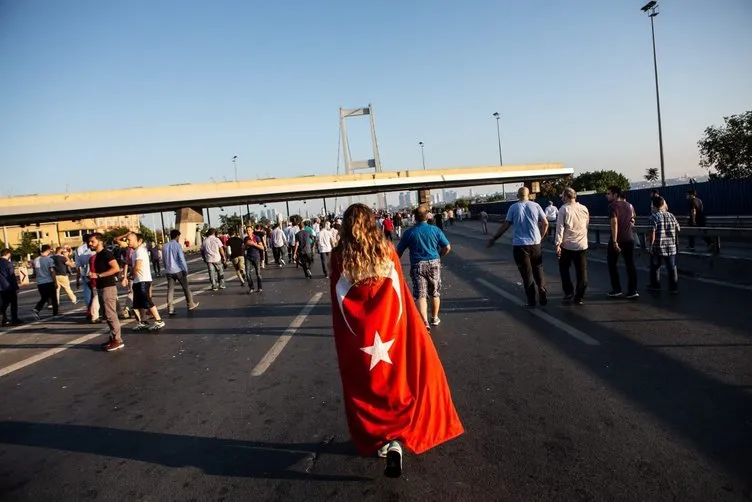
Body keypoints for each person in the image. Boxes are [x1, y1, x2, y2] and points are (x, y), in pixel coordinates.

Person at [329, 203, 464, 478]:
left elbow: (339, 300)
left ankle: (382, 440)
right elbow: (399, 294)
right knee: (397, 381)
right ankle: (395, 440)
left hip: (360, 338)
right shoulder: (386, 250)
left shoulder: (339, 256)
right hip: (390, 331)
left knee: (367, 387)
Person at [487, 187, 549, 307]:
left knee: (527, 274)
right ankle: (541, 288)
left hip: (520, 245)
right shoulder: (535, 206)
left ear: (517, 195)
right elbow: (545, 222)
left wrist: (494, 238)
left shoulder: (513, 207)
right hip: (535, 243)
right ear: (529, 195)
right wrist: (541, 237)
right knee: (538, 268)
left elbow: (506, 225)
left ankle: (531, 301)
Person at [396, 206, 451, 328]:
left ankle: (424, 321)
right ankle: (435, 318)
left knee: (420, 294)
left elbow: (398, 252)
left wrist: (394, 265)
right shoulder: (435, 230)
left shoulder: (409, 233)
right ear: (427, 216)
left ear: (415, 217)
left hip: (417, 264)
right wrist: (439, 257)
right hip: (434, 263)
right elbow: (447, 247)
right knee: (435, 292)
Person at [87, 233, 124, 352]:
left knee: (111, 314)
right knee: (107, 315)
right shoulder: (98, 255)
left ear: (100, 241)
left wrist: (98, 275)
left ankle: (117, 340)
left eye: (92, 241)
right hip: (101, 287)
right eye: (89, 241)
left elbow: (116, 268)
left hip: (108, 287)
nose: (90, 244)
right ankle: (113, 337)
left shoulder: (106, 253)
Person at [554, 188, 590, 305]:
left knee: (564, 268)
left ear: (566, 197)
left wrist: (557, 244)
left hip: (568, 245)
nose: (561, 198)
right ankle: (579, 296)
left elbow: (560, 229)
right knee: (581, 272)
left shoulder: (563, 209)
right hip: (582, 245)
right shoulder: (584, 208)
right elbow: (586, 225)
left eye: (562, 196)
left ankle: (569, 291)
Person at [124, 232, 166, 331]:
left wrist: (131, 276)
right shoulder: (135, 251)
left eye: (129, 240)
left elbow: (137, 267)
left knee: (147, 301)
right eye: (127, 240)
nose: (127, 242)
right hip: (138, 281)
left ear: (138, 240)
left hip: (143, 280)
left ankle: (159, 320)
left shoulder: (140, 251)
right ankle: (143, 322)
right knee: (137, 304)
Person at [606, 186, 639, 299]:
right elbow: (633, 219)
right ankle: (632, 290)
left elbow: (614, 223)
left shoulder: (612, 206)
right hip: (629, 238)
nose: (607, 196)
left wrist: (615, 241)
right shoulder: (629, 205)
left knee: (612, 265)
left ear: (615, 195)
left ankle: (617, 289)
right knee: (630, 264)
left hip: (617, 239)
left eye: (609, 193)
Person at [647, 196, 681, 293]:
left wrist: (650, 246)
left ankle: (655, 285)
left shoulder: (653, 217)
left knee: (655, 267)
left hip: (658, 246)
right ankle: (673, 288)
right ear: (663, 204)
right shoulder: (671, 215)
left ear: (654, 205)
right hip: (671, 246)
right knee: (672, 267)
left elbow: (652, 233)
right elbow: (678, 229)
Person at [163, 229, 199, 315]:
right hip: (178, 270)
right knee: (185, 288)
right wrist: (185, 269)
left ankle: (170, 308)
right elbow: (181, 259)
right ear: (177, 236)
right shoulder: (178, 245)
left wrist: (166, 268)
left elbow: (163, 260)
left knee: (170, 290)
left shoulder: (164, 246)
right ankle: (190, 304)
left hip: (169, 271)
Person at [75, 235, 99, 322]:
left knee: (87, 294)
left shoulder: (78, 249)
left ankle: (89, 311)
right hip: (95, 274)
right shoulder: (93, 249)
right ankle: (94, 312)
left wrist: (77, 279)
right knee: (96, 294)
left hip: (84, 274)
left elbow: (77, 266)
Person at [32, 245, 58, 319]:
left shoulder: (36, 260)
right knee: (53, 298)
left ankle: (37, 309)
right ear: (48, 250)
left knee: (44, 297)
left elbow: (34, 272)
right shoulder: (49, 260)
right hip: (48, 281)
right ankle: (55, 313)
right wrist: (55, 281)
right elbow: (52, 271)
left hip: (40, 282)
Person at [0, 249, 22, 326]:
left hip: (1, 287)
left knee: (3, 303)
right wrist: (16, 287)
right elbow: (12, 276)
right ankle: (14, 319)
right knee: (13, 303)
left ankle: (4, 318)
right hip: (8, 286)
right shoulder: (8, 264)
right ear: (8, 254)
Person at [244, 225, 265, 293]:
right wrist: (246, 245)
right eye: (247, 230)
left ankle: (260, 287)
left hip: (256, 256)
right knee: (247, 273)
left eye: (249, 230)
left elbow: (262, 247)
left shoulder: (256, 237)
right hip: (248, 257)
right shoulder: (245, 239)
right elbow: (243, 248)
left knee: (258, 273)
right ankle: (251, 287)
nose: (248, 231)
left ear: (252, 231)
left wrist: (253, 244)